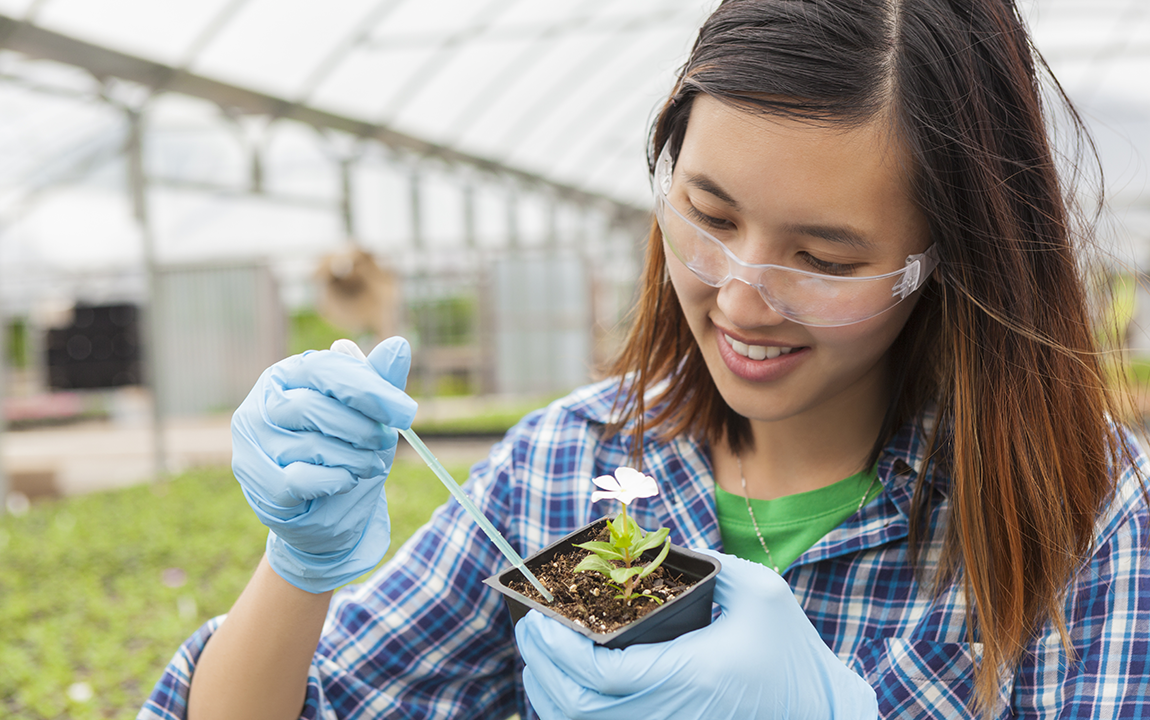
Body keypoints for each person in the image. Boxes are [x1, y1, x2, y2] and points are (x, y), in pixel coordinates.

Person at [140, 0, 1150, 718]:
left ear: (948, 259)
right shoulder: (575, 469)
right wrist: (299, 567)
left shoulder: (1077, 516)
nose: (741, 298)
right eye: (708, 217)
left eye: (823, 257)